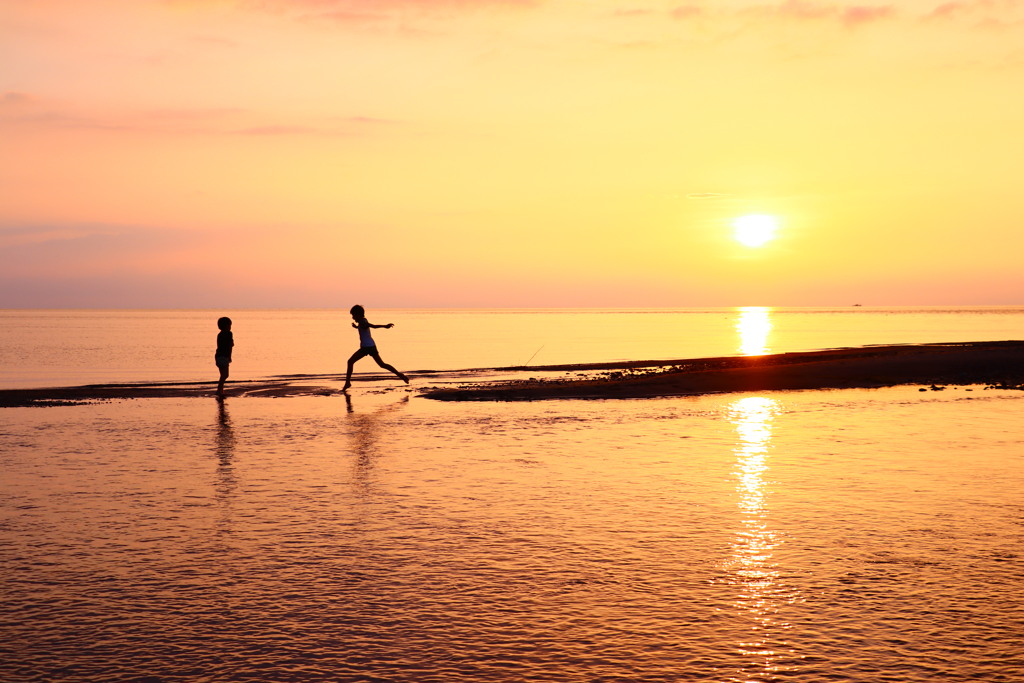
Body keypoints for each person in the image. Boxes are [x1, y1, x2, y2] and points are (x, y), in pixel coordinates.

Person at [343, 305, 408, 391]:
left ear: (358, 315)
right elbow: (364, 328)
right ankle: (401, 375)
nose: (353, 317)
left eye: (354, 315)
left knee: (350, 361)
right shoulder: (362, 322)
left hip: (366, 348)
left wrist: (385, 326)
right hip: (370, 346)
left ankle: (348, 383)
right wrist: (356, 327)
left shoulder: (363, 322)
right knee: (382, 365)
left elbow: (372, 326)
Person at [215, 316, 233, 398]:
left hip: (218, 356)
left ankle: (220, 390)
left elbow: (220, 346)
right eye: (229, 325)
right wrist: (229, 356)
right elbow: (229, 346)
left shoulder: (219, 334)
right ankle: (219, 390)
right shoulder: (229, 333)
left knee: (223, 374)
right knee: (225, 375)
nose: (230, 327)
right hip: (223, 356)